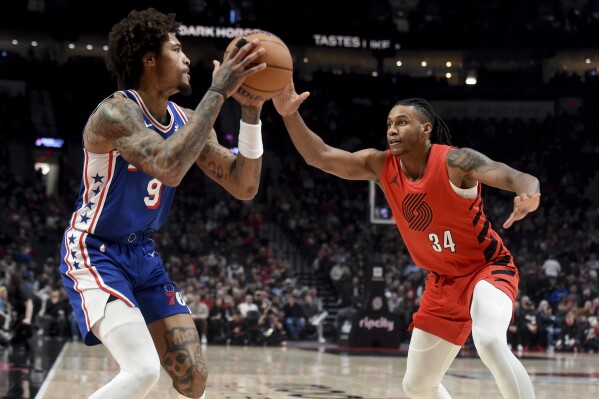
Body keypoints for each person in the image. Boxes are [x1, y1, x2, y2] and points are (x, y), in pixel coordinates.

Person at [274, 84, 540, 398]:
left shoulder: (457, 162)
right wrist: (290, 116)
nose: (392, 130)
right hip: (442, 282)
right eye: (389, 123)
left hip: (487, 268)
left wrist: (529, 194)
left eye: (402, 122)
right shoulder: (380, 165)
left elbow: (513, 176)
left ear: (426, 129)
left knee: (490, 340)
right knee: (416, 385)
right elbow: (320, 156)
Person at [58, 8, 269, 399]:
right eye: (176, 48)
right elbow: (167, 168)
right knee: (141, 371)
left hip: (143, 255)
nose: (187, 58)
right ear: (149, 59)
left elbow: (244, 186)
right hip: (94, 249)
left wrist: (251, 114)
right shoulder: (115, 112)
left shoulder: (185, 118)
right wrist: (219, 91)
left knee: (193, 378)